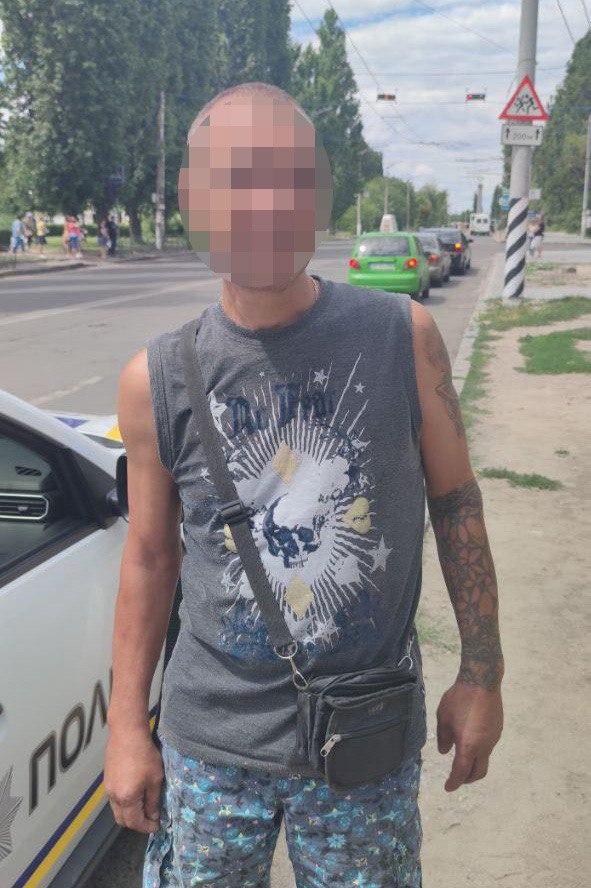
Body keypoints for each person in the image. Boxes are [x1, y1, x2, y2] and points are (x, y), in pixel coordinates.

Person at [105, 82, 504, 888]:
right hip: (210, 749)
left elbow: (456, 502)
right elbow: (149, 557)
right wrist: (124, 726)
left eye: (287, 177)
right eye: (235, 179)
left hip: (364, 739)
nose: (264, 205)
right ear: (196, 199)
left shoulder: (401, 337)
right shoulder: (157, 378)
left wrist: (480, 675)